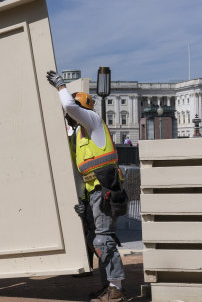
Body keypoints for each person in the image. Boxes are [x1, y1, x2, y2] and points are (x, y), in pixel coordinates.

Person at [47, 70, 126, 302]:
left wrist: (61, 87)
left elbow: (72, 108)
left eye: (71, 113)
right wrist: (82, 202)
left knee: (103, 239)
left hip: (107, 190)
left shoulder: (93, 121)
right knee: (95, 239)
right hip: (95, 193)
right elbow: (82, 174)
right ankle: (108, 287)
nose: (68, 117)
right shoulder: (81, 135)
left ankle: (117, 288)